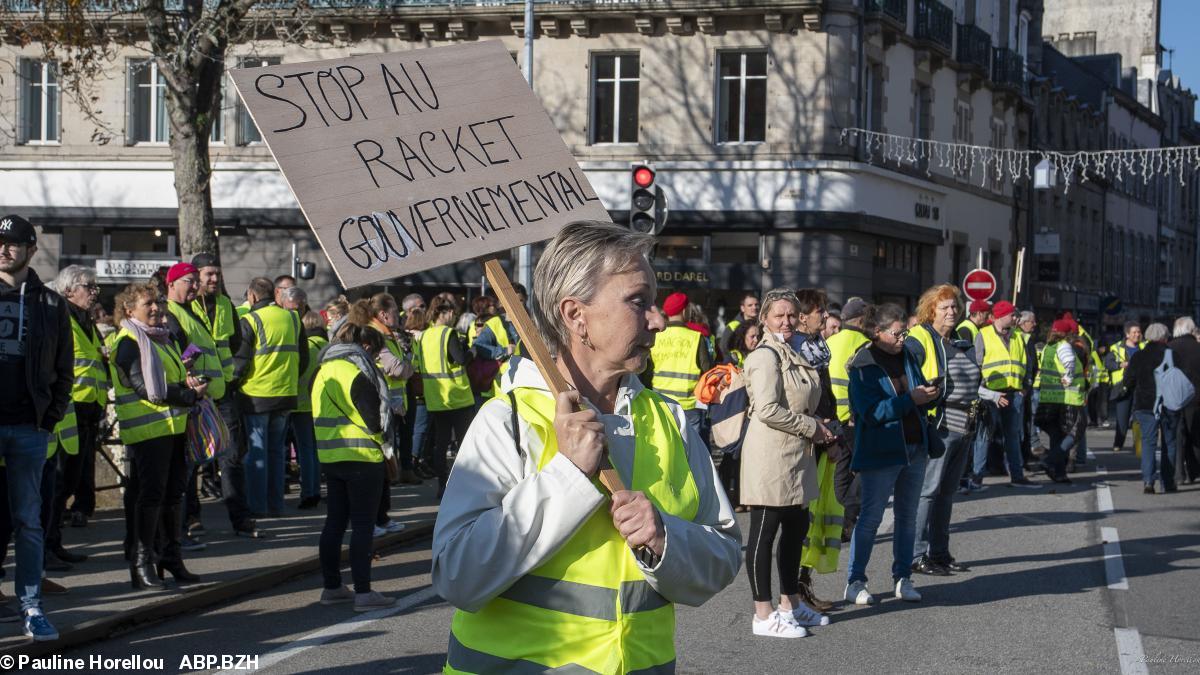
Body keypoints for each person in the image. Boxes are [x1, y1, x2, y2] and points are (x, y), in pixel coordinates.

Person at [432, 221, 740, 671]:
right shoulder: (510, 420)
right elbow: (456, 575)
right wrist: (568, 476)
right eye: (639, 302)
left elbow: (724, 554)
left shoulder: (667, 419)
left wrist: (664, 539)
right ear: (576, 316)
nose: (656, 321)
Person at [739, 288, 831, 638]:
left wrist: (820, 428)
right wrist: (813, 428)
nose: (787, 321)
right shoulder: (765, 355)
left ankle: (790, 603)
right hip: (771, 456)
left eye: (792, 315)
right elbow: (767, 409)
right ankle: (763, 615)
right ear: (764, 319)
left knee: (795, 531)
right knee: (764, 534)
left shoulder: (792, 349)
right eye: (779, 315)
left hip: (797, 455)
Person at [0, 214, 70, 641]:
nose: (5, 249)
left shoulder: (49, 303)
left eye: (13, 243)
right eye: (0, 242)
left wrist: (50, 418)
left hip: (29, 426)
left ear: (31, 249)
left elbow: (65, 368)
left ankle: (30, 605)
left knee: (28, 520)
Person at [110, 281, 207, 590]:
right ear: (128, 310)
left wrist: (188, 384)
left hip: (173, 428)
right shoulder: (128, 341)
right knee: (150, 496)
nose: (155, 308)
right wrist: (189, 395)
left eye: (157, 302)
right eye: (147, 303)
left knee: (172, 494)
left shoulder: (162, 338)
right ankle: (142, 563)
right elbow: (146, 389)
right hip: (148, 431)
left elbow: (169, 380)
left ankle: (170, 557)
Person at [845, 303, 939, 606]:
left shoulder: (909, 355)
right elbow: (871, 413)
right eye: (898, 334)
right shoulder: (863, 365)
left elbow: (915, 392)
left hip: (915, 447)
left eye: (905, 332)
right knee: (870, 518)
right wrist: (909, 399)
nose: (903, 339)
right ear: (878, 332)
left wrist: (928, 394)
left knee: (907, 517)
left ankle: (903, 578)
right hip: (881, 450)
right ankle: (855, 581)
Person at [311, 317, 397, 612]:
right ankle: (363, 593)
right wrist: (386, 445)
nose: (375, 360)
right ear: (365, 347)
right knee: (363, 526)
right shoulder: (356, 372)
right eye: (374, 354)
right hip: (363, 457)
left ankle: (332, 587)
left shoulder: (322, 370)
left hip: (332, 457)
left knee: (334, 523)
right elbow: (374, 421)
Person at [907, 284, 985, 576]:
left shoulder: (961, 339)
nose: (952, 312)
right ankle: (916, 555)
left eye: (954, 306)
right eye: (945, 308)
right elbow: (906, 368)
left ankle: (939, 552)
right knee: (928, 491)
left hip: (965, 423)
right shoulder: (921, 337)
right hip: (939, 424)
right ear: (931, 311)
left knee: (947, 492)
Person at [189, 253, 260, 539]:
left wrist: (232, 377)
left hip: (224, 392)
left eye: (217, 274)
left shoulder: (225, 305)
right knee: (192, 459)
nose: (215, 279)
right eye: (209, 274)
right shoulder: (185, 307)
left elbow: (234, 345)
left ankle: (240, 519)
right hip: (196, 394)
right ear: (195, 276)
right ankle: (192, 518)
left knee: (231, 458)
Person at [232, 277, 307, 517]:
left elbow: (240, 363)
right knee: (276, 453)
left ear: (252, 296)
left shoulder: (250, 320)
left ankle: (257, 507)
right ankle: (277, 505)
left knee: (257, 453)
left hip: (256, 396)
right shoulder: (294, 319)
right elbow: (303, 359)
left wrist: (233, 385)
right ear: (274, 294)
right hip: (285, 395)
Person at [47, 265, 105, 562]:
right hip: (67, 410)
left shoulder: (85, 320)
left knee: (69, 481)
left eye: (95, 287)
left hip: (88, 409)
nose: (94, 292)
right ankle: (48, 547)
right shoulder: (60, 316)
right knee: (57, 482)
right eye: (88, 286)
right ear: (68, 289)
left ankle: (54, 543)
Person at [162, 262, 218, 553]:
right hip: (183, 399)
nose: (195, 286)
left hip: (197, 397)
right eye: (189, 281)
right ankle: (176, 534)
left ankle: (181, 530)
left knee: (188, 471)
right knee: (180, 474)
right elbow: (174, 354)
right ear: (171, 283)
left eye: (196, 281)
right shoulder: (170, 313)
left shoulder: (190, 310)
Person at [356, 294, 412, 534]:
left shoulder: (388, 334)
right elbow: (399, 368)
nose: (398, 315)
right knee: (378, 467)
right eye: (395, 310)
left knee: (385, 465)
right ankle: (374, 519)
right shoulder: (374, 335)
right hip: (381, 407)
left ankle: (381, 517)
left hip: (392, 405)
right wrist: (407, 364)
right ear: (382, 314)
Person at [972, 301, 1039, 488]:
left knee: (1013, 436)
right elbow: (976, 364)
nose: (1016, 318)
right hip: (990, 394)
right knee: (984, 435)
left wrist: (1025, 387)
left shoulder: (1018, 336)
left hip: (1014, 394)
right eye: (1013, 315)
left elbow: (1028, 365)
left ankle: (1017, 476)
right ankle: (977, 478)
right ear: (1002, 316)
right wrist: (982, 391)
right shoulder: (983, 335)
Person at [418, 294, 474, 498]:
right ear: (444, 313)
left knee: (440, 445)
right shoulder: (448, 334)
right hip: (457, 397)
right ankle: (463, 486)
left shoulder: (424, 336)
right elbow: (460, 360)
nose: (453, 317)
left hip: (436, 398)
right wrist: (473, 351)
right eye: (452, 313)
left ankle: (442, 485)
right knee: (464, 445)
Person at [825, 297, 872, 539]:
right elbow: (864, 385)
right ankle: (849, 514)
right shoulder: (864, 344)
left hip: (834, 418)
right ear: (862, 320)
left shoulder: (830, 342)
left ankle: (841, 520)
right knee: (868, 467)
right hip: (856, 419)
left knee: (841, 470)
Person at [649, 292, 712, 443]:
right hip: (688, 405)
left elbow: (646, 371)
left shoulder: (656, 336)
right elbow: (707, 368)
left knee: (663, 445)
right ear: (685, 311)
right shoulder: (696, 337)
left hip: (659, 401)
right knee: (689, 451)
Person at [1126, 323, 1179, 494]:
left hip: (1145, 404)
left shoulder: (1139, 356)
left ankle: (1148, 481)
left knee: (1148, 442)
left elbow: (1129, 381)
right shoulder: (1172, 355)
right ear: (1165, 337)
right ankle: (1168, 482)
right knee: (1169, 443)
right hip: (1168, 404)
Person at [1035, 318, 1086, 484]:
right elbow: (1069, 362)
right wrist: (1068, 377)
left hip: (1050, 397)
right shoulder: (1064, 346)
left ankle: (1059, 472)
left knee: (1058, 435)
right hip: (1069, 397)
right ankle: (1050, 461)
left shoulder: (1048, 347)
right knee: (1076, 431)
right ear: (1066, 334)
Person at [293, 310, 327, 509]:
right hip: (322, 405)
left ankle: (309, 491)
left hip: (302, 404)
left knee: (305, 450)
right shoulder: (328, 346)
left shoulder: (304, 345)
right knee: (317, 450)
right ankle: (318, 489)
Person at [1167, 317, 1200, 484]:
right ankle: (1194, 470)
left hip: (1175, 398)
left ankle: (1179, 474)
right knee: (1195, 434)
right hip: (1196, 398)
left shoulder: (1170, 348)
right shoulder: (1197, 347)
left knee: (1178, 436)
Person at [1106, 322, 1144, 453]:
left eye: (1139, 332)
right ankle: (1118, 443)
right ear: (1127, 334)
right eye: (1134, 332)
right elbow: (1108, 363)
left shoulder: (1144, 346)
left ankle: (1137, 445)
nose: (1137, 334)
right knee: (1122, 419)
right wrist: (1120, 364)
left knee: (1139, 418)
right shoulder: (1116, 347)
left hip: (1140, 387)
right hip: (1123, 388)